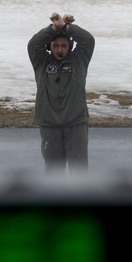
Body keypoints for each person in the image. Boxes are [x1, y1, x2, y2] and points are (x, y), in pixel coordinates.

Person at [28, 12, 96, 175]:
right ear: (49, 47)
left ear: (70, 47)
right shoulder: (41, 62)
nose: (59, 50)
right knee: (53, 173)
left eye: (64, 46)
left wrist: (67, 28)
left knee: (79, 173)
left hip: (76, 124)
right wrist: (53, 28)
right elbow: (34, 44)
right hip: (49, 125)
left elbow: (88, 41)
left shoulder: (79, 60)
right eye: (55, 46)